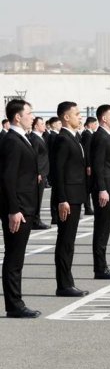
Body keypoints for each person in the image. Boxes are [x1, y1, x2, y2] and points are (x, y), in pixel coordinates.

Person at [0, 99, 40, 317]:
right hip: (19, 208)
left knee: (17, 257)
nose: (32, 117)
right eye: (29, 113)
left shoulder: (21, 138)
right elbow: (8, 178)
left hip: (25, 206)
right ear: (17, 116)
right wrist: (13, 209)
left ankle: (15, 302)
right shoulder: (12, 141)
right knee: (14, 258)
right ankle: (14, 305)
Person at [51, 101, 90, 297]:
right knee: (65, 241)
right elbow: (58, 172)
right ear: (66, 117)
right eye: (76, 113)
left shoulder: (75, 137)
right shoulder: (63, 139)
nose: (80, 116)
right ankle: (64, 284)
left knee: (69, 241)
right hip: (68, 198)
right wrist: (62, 199)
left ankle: (67, 282)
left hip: (76, 196)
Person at [90, 104, 110, 280]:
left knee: (105, 228)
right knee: (101, 229)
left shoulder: (108, 136)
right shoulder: (100, 137)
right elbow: (98, 165)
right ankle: (100, 268)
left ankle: (102, 266)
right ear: (104, 118)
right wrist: (102, 188)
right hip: (105, 189)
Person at [27, 116, 50, 229]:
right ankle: (35, 220)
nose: (44, 126)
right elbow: (34, 157)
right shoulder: (35, 139)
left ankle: (36, 219)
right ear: (36, 126)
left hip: (43, 171)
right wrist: (37, 172)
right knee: (37, 197)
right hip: (39, 173)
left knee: (38, 197)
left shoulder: (40, 137)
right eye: (42, 124)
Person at [81, 116, 98, 215]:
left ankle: (88, 207)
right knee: (87, 187)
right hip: (88, 165)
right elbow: (87, 151)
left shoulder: (90, 134)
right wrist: (88, 165)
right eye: (95, 124)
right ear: (90, 124)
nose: (96, 126)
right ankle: (87, 207)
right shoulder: (87, 134)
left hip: (89, 164)